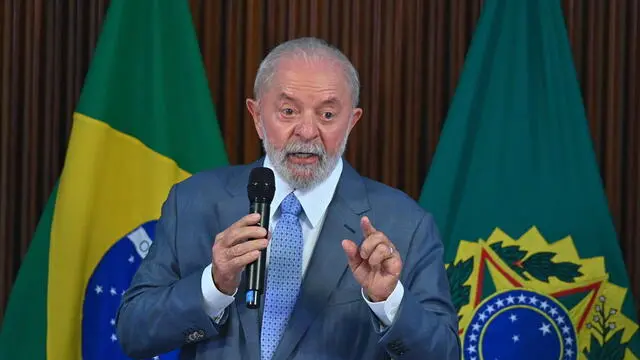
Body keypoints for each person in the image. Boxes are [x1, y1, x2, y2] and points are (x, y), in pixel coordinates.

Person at [115, 37, 460, 360]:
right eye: (288, 112)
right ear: (257, 117)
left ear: (352, 121)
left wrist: (388, 301)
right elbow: (134, 333)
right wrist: (214, 286)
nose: (307, 132)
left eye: (327, 114)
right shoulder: (194, 202)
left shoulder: (406, 224)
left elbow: (444, 353)